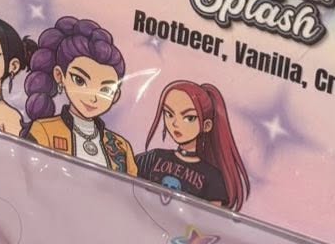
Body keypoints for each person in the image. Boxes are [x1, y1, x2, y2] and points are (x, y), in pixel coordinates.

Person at [23, 15, 136, 174]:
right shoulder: (44, 130)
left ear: (115, 95)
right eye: (80, 80)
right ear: (59, 76)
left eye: (105, 90)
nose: (93, 97)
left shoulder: (121, 148)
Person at [137, 80, 250, 211]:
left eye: (189, 118)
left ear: (207, 125)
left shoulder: (212, 177)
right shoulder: (154, 157)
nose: (175, 123)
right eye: (169, 114)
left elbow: (211, 218)